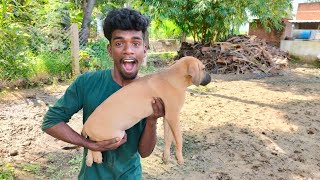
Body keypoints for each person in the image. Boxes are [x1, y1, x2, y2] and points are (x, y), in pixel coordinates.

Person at [42, 8, 164, 179]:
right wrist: (88, 143)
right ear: (109, 50)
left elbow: (144, 153)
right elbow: (50, 122)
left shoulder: (151, 93)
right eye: (119, 43)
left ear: (145, 49)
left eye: (136, 43)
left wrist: (152, 120)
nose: (128, 50)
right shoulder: (87, 83)